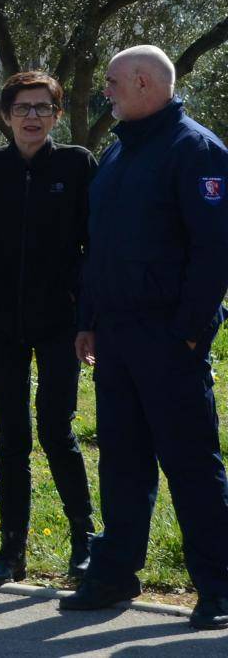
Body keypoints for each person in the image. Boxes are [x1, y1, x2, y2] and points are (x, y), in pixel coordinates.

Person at [59, 46, 228, 632]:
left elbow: (214, 255)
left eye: (111, 82)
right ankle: (114, 575)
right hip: (117, 336)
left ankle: (219, 587)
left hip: (168, 340)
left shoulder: (196, 150)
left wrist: (188, 336)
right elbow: (99, 249)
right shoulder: (120, 151)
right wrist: (88, 318)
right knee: (123, 463)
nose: (105, 91)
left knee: (190, 464)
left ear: (141, 81)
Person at [0, 71, 96, 585]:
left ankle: (85, 542)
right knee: (11, 436)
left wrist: (85, 309)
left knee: (58, 432)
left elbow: (94, 246)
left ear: (57, 114)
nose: (31, 117)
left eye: (42, 108)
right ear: (7, 116)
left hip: (61, 325)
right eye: (22, 108)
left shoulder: (78, 165)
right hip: (1, 327)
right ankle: (12, 549)